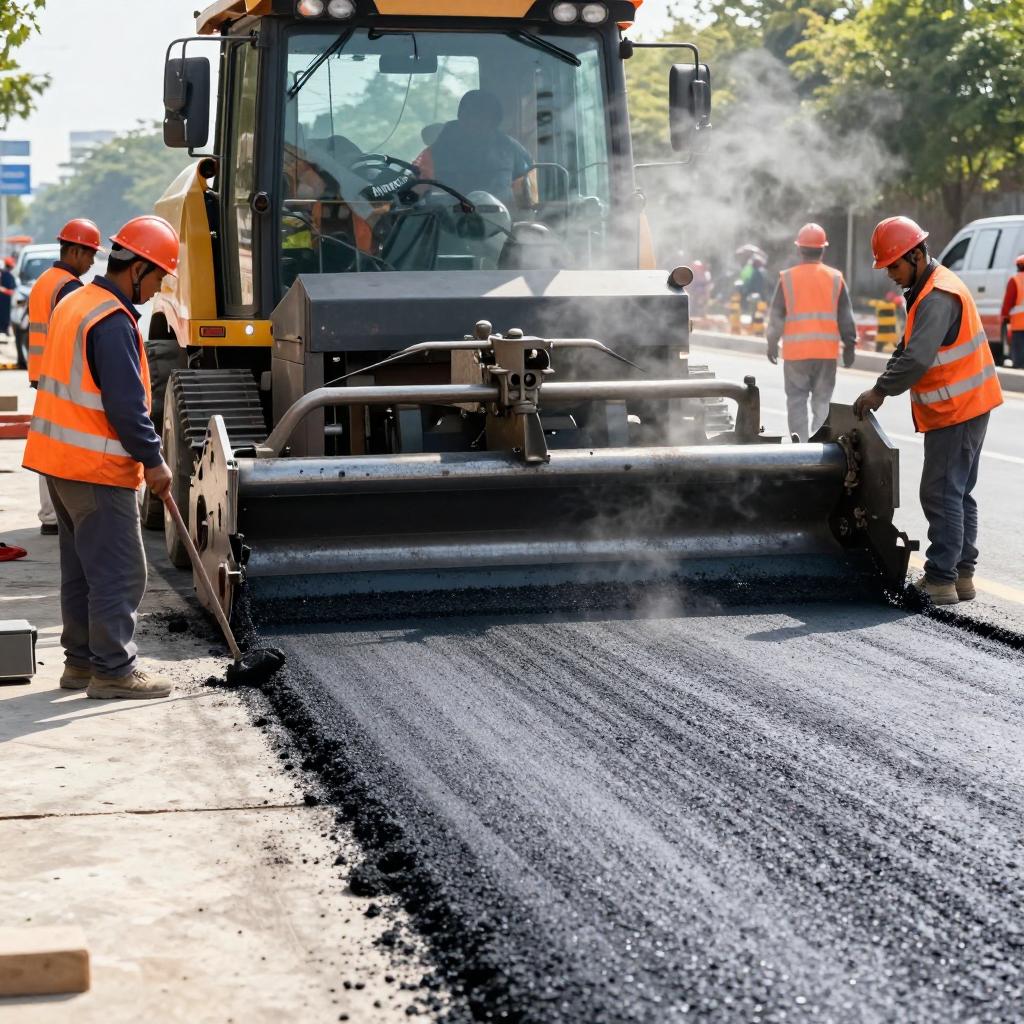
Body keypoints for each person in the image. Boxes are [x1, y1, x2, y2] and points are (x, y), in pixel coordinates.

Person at [22, 215, 180, 698]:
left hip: (59, 463)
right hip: (96, 467)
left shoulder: (77, 301)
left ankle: (81, 665)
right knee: (120, 570)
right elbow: (127, 407)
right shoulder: (112, 322)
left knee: (82, 571)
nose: (157, 290)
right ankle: (114, 670)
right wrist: (153, 460)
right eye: (157, 278)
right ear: (136, 268)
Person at [853, 216, 1003, 605]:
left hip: (957, 408)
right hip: (968, 404)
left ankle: (939, 578)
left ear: (917, 255)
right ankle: (961, 574)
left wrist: (880, 391)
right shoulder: (928, 289)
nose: (889, 274)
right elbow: (907, 347)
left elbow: (917, 359)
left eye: (894, 265)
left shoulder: (936, 296)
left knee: (939, 492)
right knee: (958, 491)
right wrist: (884, 379)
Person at [26, 219, 103, 535]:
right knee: (66, 446)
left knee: (49, 443)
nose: (91, 262)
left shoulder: (45, 280)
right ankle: (60, 515)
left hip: (42, 374)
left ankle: (50, 516)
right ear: (74, 251)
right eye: (89, 255)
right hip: (63, 376)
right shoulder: (69, 287)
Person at [766, 223, 856, 441]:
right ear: (822, 249)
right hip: (825, 354)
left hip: (796, 354)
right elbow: (846, 315)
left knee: (796, 401)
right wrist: (850, 345)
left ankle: (801, 448)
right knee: (822, 402)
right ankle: (821, 449)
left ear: (800, 249)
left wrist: (772, 342)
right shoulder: (835, 278)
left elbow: (776, 314)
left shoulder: (787, 278)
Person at [422, 90, 537, 211]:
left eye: (484, 116)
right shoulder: (437, 150)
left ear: (495, 120)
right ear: (461, 116)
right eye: (471, 115)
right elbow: (417, 186)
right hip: (447, 221)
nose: (476, 121)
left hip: (501, 221)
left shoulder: (509, 147)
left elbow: (527, 187)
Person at [999, 253, 1024, 369]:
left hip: (1018, 325)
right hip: (1018, 324)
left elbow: (1008, 302)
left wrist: (1004, 316)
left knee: (1018, 354)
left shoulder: (1015, 280)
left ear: (1018, 266)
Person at [0, 256, 16, 338]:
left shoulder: (8, 276)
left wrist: (4, 290)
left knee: (5, 316)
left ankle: (5, 330)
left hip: (7, 300)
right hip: (5, 300)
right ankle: (5, 330)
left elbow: (13, 290)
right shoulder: (7, 275)